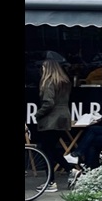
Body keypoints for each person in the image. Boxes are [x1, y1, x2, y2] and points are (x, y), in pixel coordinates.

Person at [33, 59, 74, 192]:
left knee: (46, 150)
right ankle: (71, 170)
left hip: (51, 120)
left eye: (43, 68)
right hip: (63, 118)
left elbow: (48, 103)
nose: (42, 70)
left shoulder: (48, 82)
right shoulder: (64, 82)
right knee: (52, 149)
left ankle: (51, 182)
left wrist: (38, 114)